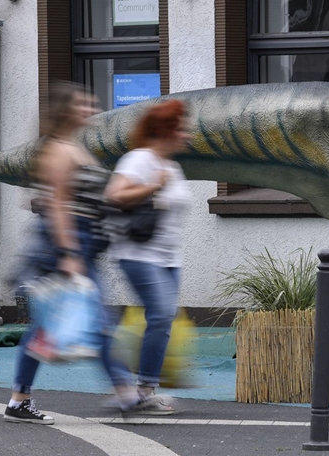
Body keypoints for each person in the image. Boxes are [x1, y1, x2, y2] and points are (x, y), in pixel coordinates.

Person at [3, 82, 163, 425]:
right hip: (70, 244)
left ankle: (20, 398)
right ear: (65, 111)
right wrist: (69, 253)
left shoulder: (70, 146)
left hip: (82, 243)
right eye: (83, 104)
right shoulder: (59, 151)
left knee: (49, 325)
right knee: (97, 322)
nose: (92, 108)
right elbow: (58, 206)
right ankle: (126, 394)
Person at [104, 99, 192, 406]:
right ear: (165, 130)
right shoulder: (139, 159)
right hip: (137, 253)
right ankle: (141, 389)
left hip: (168, 258)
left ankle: (140, 387)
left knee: (161, 319)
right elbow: (114, 194)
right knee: (162, 314)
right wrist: (153, 187)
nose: (187, 134)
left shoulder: (173, 166)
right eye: (181, 128)